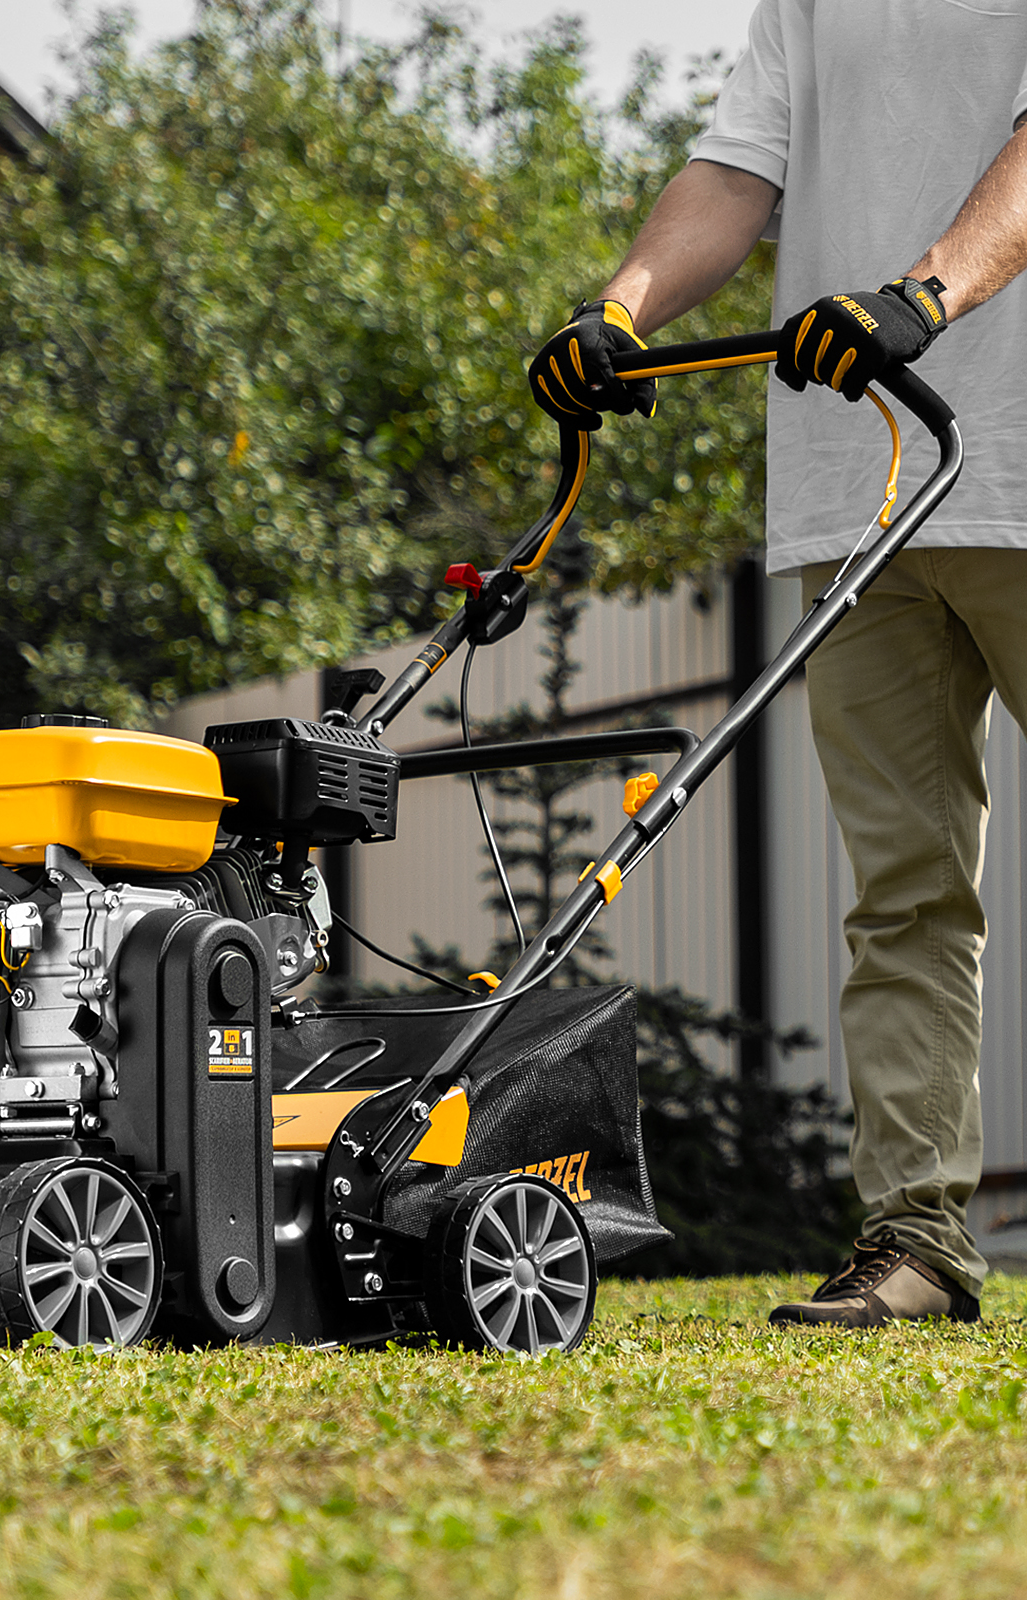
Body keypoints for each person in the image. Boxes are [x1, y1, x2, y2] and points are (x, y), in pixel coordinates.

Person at [529, 1, 1027, 1328]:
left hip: (1018, 464)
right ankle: (916, 1242)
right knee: (904, 895)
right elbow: (738, 170)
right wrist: (619, 310)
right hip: (861, 485)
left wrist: (927, 293)